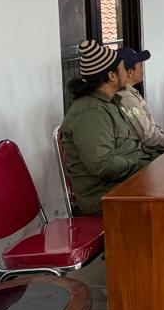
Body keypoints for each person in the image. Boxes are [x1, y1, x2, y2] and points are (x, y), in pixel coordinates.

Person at [60, 40, 154, 215]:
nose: (127, 72)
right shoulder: (90, 113)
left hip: (128, 180)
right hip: (106, 194)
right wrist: (143, 166)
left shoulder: (110, 102)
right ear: (112, 76)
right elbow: (103, 164)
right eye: (122, 68)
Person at [117, 47, 164, 155]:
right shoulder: (127, 98)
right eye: (140, 66)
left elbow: (153, 130)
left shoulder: (131, 93)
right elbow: (149, 137)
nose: (143, 70)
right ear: (130, 72)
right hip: (146, 153)